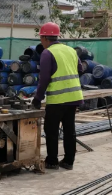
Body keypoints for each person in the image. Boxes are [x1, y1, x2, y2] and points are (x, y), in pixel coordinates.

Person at [32, 22, 83, 171]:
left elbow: (44, 79)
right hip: (74, 97)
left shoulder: (47, 53)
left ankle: (52, 161)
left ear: (44, 38)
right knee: (69, 130)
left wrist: (37, 98)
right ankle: (68, 161)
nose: (41, 41)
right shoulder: (71, 50)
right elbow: (80, 69)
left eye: (41, 38)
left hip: (57, 99)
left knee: (51, 130)